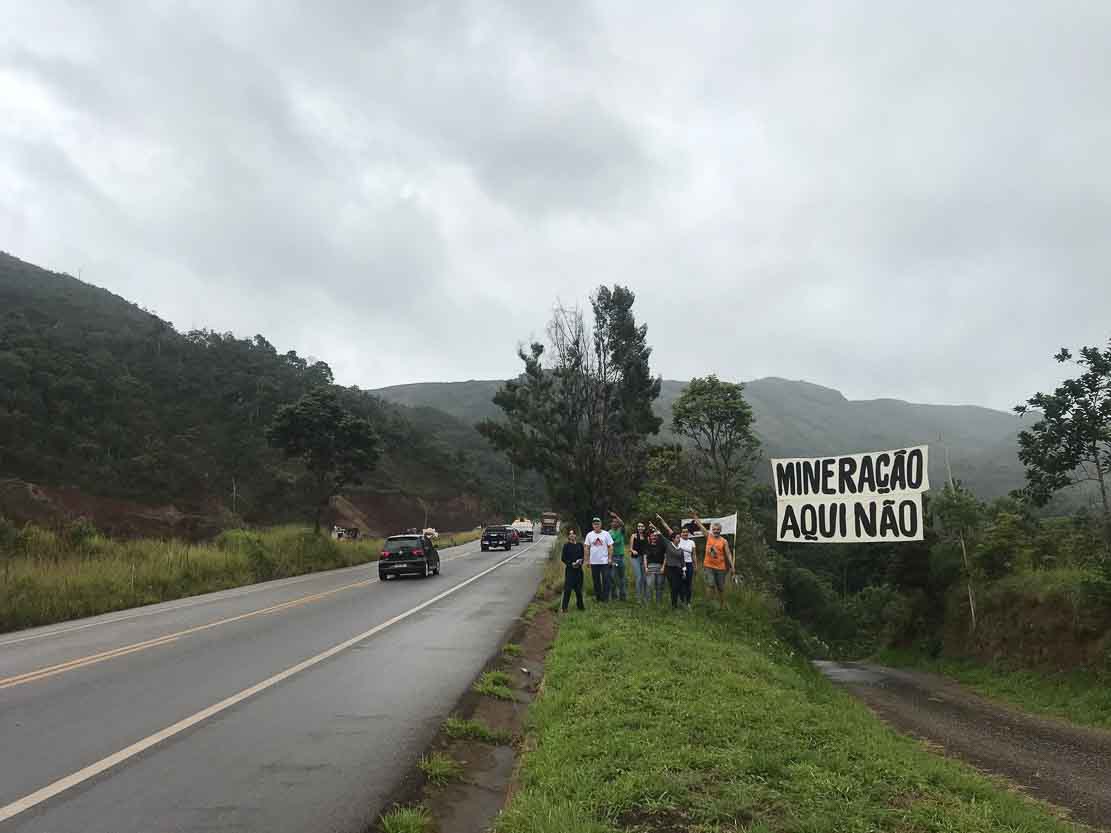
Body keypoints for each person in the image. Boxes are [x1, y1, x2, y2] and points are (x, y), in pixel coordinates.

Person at [691, 513, 735, 609]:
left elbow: (728, 553)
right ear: (712, 530)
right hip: (709, 566)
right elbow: (701, 526)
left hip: (720, 567)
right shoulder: (709, 536)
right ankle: (707, 604)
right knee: (710, 584)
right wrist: (695, 517)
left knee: (721, 588)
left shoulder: (724, 541)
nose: (716, 531)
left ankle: (722, 605)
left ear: (720, 531)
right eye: (714, 529)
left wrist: (732, 566)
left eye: (717, 530)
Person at [654, 515, 696, 607]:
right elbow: (661, 535)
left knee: (680, 586)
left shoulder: (681, 548)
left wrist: (684, 570)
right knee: (674, 586)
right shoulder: (669, 544)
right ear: (675, 538)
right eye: (678, 537)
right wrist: (658, 524)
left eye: (686, 532)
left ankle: (684, 602)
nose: (679, 538)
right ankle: (674, 605)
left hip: (680, 568)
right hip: (670, 569)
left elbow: (682, 560)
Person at [584, 516, 614, 602]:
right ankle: (598, 598)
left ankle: (605, 598)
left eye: (598, 524)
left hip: (604, 561)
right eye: (594, 524)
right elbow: (586, 547)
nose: (596, 525)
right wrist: (587, 560)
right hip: (594, 562)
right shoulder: (589, 535)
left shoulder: (606, 534)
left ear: (601, 524)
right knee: (596, 581)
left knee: (606, 580)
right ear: (592, 525)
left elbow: (610, 546)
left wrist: (610, 558)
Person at [560, 528, 586, 612]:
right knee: (568, 589)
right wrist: (571, 564)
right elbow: (563, 558)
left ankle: (580, 607)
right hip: (570, 570)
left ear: (576, 535)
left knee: (578, 590)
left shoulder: (580, 545)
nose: (572, 535)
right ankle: (564, 608)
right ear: (568, 536)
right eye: (570, 534)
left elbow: (583, 556)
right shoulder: (566, 545)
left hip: (579, 570)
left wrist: (580, 561)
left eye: (573, 533)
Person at [628, 519, 651, 603]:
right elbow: (630, 548)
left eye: (641, 526)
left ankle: (645, 597)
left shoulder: (647, 537)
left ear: (644, 528)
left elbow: (648, 548)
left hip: (644, 558)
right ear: (637, 528)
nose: (640, 528)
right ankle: (638, 598)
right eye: (638, 526)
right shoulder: (633, 536)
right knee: (639, 577)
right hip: (635, 558)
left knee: (645, 578)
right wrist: (632, 550)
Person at [607, 512, 628, 601]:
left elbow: (623, 524)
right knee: (612, 577)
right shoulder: (608, 533)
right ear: (611, 524)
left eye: (617, 522)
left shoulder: (621, 531)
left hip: (621, 557)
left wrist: (616, 516)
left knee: (622, 577)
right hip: (613, 558)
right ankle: (614, 596)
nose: (615, 523)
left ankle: (623, 596)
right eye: (613, 522)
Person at [644, 526, 668, 604]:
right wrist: (646, 568)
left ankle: (659, 603)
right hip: (650, 568)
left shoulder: (662, 545)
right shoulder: (647, 546)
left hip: (660, 567)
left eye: (655, 536)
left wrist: (663, 567)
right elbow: (645, 557)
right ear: (650, 537)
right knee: (649, 586)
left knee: (659, 587)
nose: (653, 537)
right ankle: (648, 603)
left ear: (657, 537)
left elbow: (665, 557)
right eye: (652, 536)